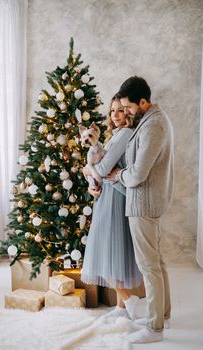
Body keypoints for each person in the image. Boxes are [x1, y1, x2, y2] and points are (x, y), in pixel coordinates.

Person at [108, 76, 174, 343]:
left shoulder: (153, 125)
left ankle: (154, 328)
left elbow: (137, 174)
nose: (126, 112)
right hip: (145, 201)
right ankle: (163, 316)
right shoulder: (151, 120)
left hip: (143, 203)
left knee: (149, 266)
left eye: (129, 107)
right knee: (156, 263)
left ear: (143, 102)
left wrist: (117, 175)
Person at [81, 94, 142, 321]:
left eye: (120, 110)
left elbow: (104, 167)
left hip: (115, 197)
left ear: (128, 112)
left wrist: (88, 170)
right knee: (113, 253)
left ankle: (128, 298)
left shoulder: (125, 134)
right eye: (112, 111)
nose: (115, 115)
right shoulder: (112, 137)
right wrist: (91, 183)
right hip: (106, 195)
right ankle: (121, 307)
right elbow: (99, 169)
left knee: (107, 251)